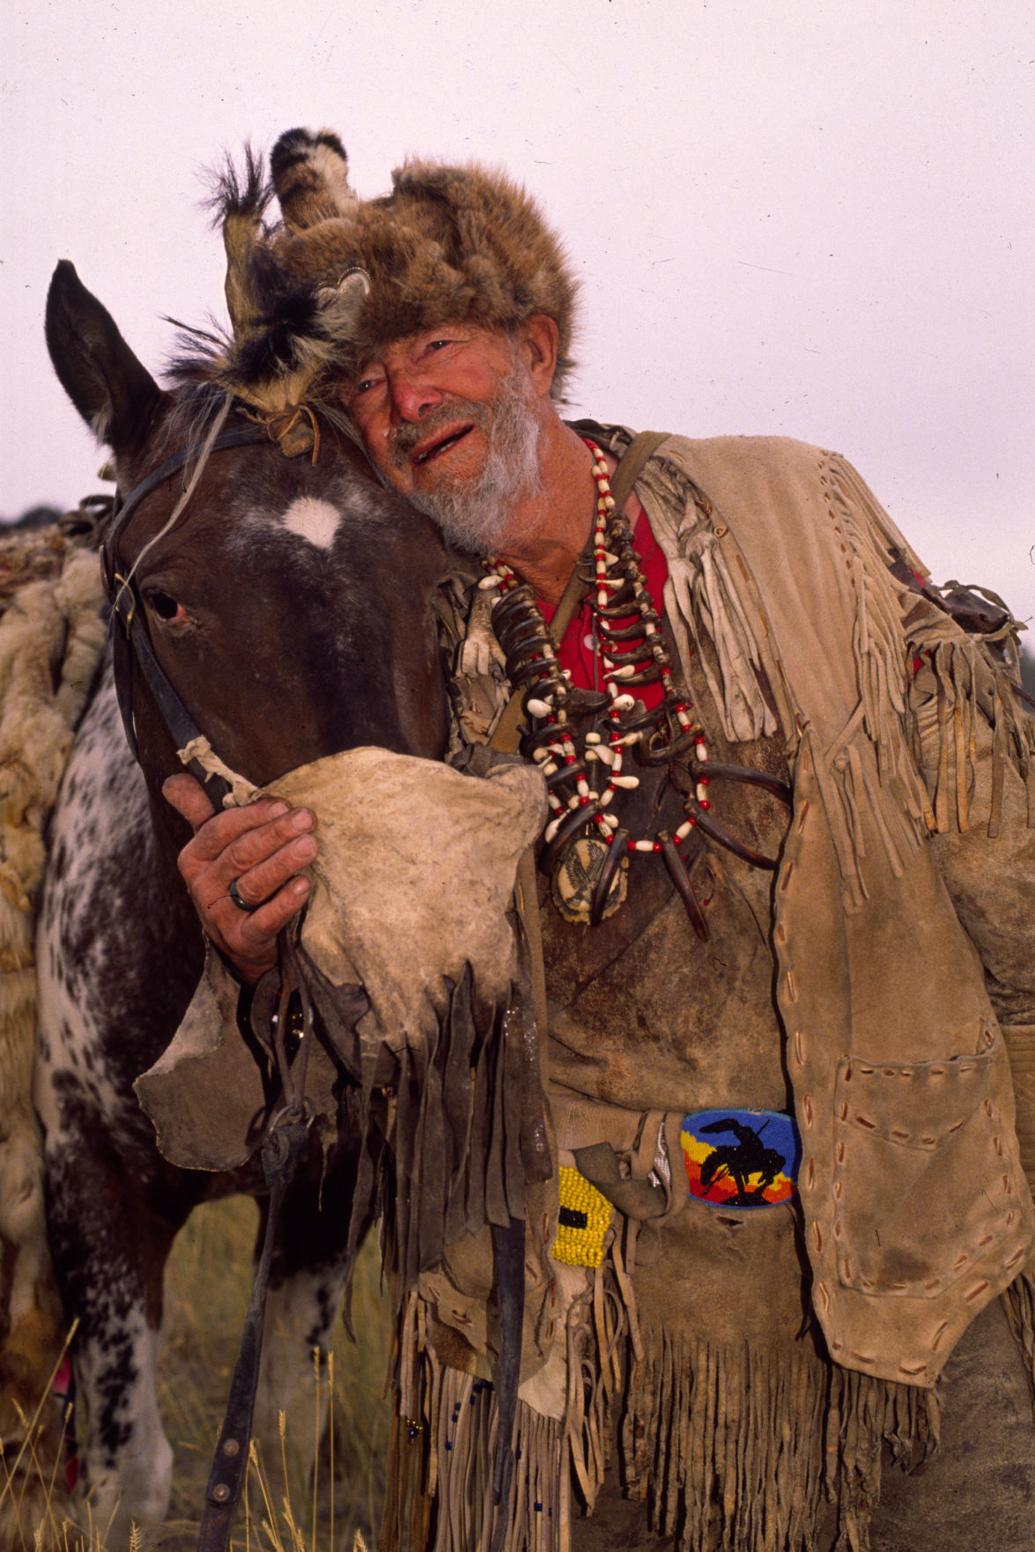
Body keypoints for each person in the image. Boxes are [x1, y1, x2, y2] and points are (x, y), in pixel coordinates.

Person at [164, 128, 1035, 1551]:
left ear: (536, 348)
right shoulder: (389, 678)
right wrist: (258, 960)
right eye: (367, 384)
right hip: (567, 1348)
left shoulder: (789, 519)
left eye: (435, 345)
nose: (404, 398)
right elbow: (299, 1095)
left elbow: (1011, 888)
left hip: (904, 1302)